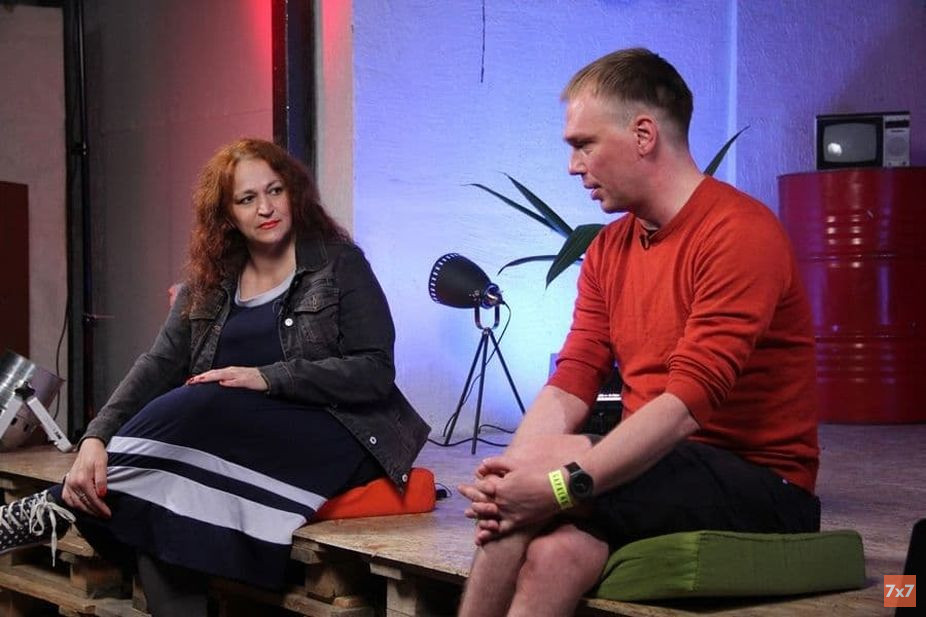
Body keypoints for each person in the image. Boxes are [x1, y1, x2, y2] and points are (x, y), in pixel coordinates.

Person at [457, 48, 820, 616]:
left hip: (762, 486)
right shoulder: (609, 248)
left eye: (584, 144)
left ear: (644, 135)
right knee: (550, 554)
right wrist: (508, 478)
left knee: (532, 485)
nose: (573, 166)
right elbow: (572, 380)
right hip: (655, 467)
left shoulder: (739, 233)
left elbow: (683, 408)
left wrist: (553, 485)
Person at [0, 138, 430, 615]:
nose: (266, 208)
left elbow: (374, 371)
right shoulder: (210, 279)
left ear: (294, 192)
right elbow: (158, 364)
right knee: (162, 500)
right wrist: (95, 439)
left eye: (275, 190)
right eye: (247, 199)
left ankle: (56, 505)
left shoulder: (340, 264)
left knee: (203, 399)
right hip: (238, 441)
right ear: (226, 214)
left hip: (335, 433)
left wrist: (269, 377)